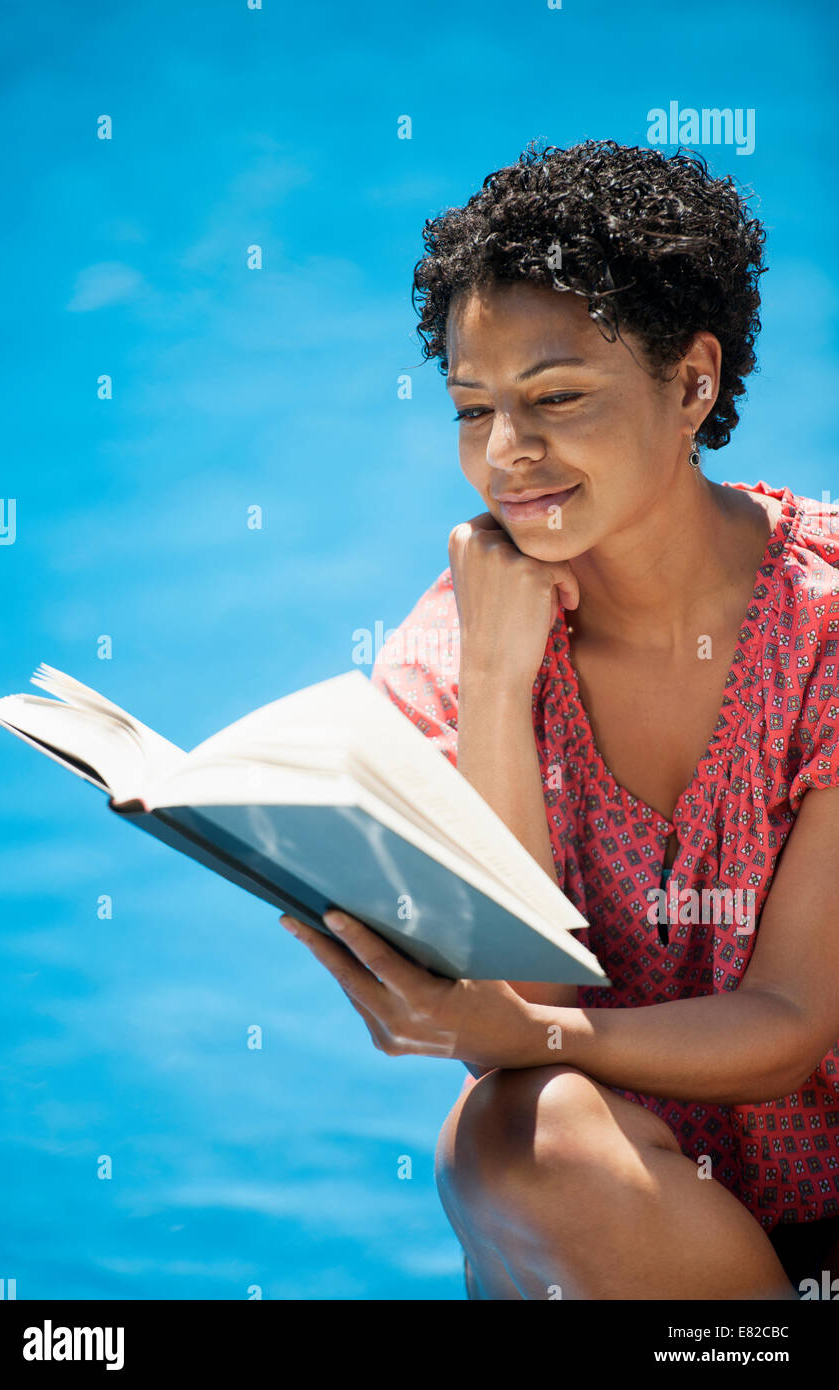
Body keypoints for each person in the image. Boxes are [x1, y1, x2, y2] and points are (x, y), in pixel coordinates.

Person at [279, 140, 839, 1300]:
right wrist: (494, 675)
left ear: (691, 381)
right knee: (506, 1146)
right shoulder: (456, 635)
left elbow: (787, 1023)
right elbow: (518, 997)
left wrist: (526, 1039)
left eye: (556, 399)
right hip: (633, 1224)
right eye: (472, 408)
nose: (504, 456)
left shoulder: (823, 622)